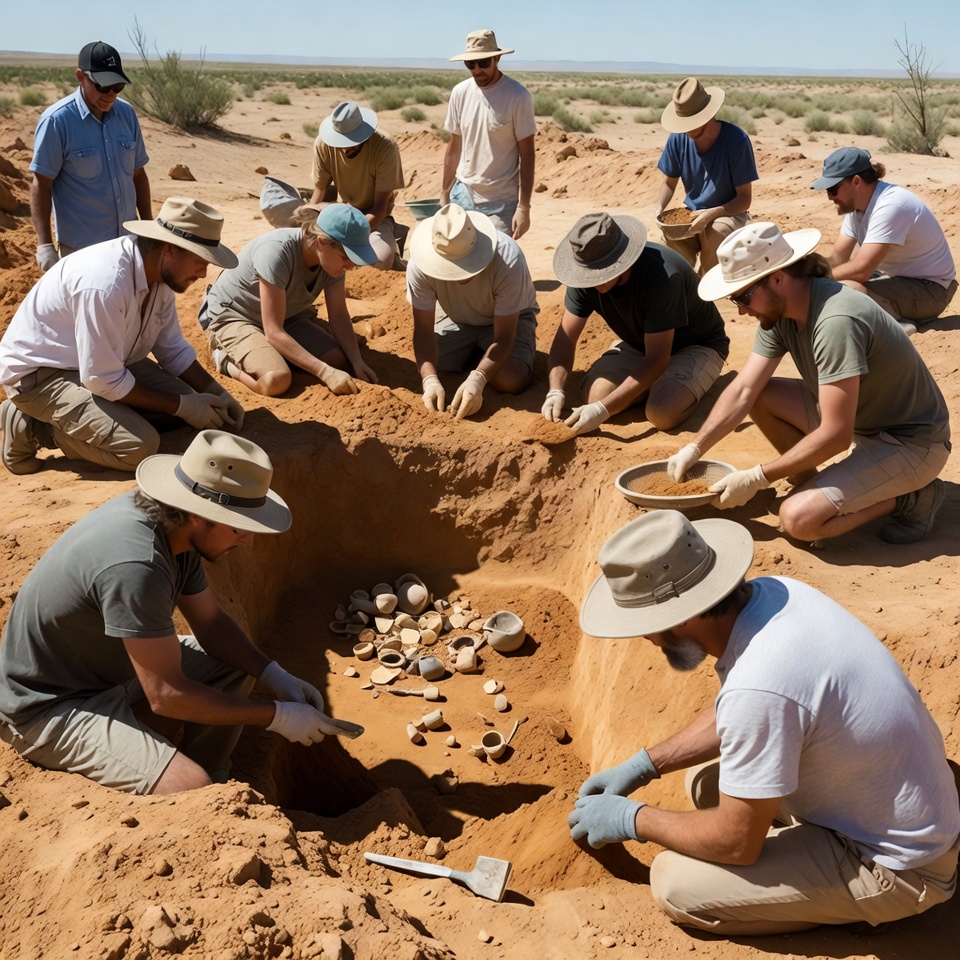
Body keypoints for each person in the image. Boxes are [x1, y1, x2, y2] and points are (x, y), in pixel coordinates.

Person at [569, 509, 960, 935]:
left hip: (899, 864)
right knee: (706, 785)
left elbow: (736, 842)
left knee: (674, 883)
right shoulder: (776, 595)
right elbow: (749, 706)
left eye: (644, 624)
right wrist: (646, 765)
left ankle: (855, 900)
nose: (644, 637)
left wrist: (632, 819)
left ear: (680, 619)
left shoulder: (759, 686)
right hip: (900, 801)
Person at [0, 430, 363, 795]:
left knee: (236, 664)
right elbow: (165, 695)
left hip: (107, 671)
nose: (248, 539)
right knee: (190, 785)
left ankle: (214, 774)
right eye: (239, 526)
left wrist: (273, 674)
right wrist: (277, 716)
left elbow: (211, 623)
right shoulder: (138, 564)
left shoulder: (174, 531)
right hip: (50, 704)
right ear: (199, 516)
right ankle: (204, 791)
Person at [667, 221, 950, 545]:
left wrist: (759, 477)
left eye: (744, 297)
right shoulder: (780, 312)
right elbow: (744, 389)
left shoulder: (836, 322)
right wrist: (695, 447)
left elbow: (836, 436)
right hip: (864, 421)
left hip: (911, 443)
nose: (742, 311)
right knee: (761, 396)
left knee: (798, 520)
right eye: (736, 300)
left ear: (777, 278)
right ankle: (811, 485)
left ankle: (911, 498)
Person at [0, 197, 244, 476]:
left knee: (193, 405)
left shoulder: (160, 275)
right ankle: (34, 427)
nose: (203, 273)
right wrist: (182, 406)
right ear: (169, 249)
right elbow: (102, 380)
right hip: (42, 376)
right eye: (200, 260)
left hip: (101, 361)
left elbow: (172, 349)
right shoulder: (105, 283)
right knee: (139, 446)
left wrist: (216, 393)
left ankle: (93, 416)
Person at [545, 211, 729, 436]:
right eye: (588, 275)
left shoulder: (662, 276)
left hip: (696, 346)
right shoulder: (584, 276)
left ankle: (678, 385)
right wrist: (555, 390)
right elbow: (565, 339)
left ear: (620, 263)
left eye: (599, 274)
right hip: (642, 342)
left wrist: (603, 410)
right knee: (596, 394)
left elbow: (657, 359)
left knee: (662, 411)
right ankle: (653, 385)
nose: (592, 281)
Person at [199, 204, 379, 398]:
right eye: (346, 257)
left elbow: (338, 315)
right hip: (234, 315)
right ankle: (224, 360)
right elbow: (274, 332)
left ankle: (272, 356)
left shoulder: (331, 262)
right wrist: (324, 372)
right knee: (276, 380)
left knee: (336, 359)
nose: (350, 265)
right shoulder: (276, 252)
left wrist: (357, 361)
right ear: (321, 242)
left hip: (285, 315)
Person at [406, 203, 538, 419]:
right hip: (457, 317)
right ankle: (479, 353)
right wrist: (429, 380)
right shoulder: (419, 266)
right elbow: (423, 331)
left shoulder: (507, 258)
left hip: (508, 319)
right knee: (434, 366)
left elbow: (504, 336)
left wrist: (479, 378)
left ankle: (479, 358)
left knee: (511, 379)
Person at [30, 40, 151, 271]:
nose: (111, 94)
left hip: (128, 246)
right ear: (80, 77)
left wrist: (148, 230)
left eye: (117, 86)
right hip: (82, 254)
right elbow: (41, 184)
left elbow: (138, 175)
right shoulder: (57, 121)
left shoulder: (127, 115)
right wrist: (44, 245)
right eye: (103, 86)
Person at [812, 147, 957, 331]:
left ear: (856, 181)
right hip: (898, 279)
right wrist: (806, 270)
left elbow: (862, 270)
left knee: (846, 290)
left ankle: (895, 325)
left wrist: (814, 281)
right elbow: (837, 258)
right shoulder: (856, 207)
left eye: (833, 189)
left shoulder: (891, 206)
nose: (829, 196)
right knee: (833, 286)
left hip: (932, 290)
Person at [656, 77, 758, 276]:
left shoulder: (736, 140)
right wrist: (659, 210)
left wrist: (711, 214)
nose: (685, 129)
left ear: (706, 116)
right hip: (692, 214)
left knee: (716, 235)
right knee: (668, 247)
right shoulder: (677, 139)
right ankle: (684, 284)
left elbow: (744, 200)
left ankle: (706, 282)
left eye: (690, 123)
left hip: (728, 213)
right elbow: (668, 183)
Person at [441, 29, 536, 239]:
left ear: (497, 59)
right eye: (470, 64)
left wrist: (523, 207)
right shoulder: (459, 93)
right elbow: (454, 147)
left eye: (483, 63)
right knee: (458, 254)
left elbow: (527, 154)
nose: (477, 70)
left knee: (497, 253)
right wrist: (444, 193)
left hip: (502, 201)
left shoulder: (518, 97)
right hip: (462, 194)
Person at [309, 101, 407, 271]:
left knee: (376, 264)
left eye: (352, 141)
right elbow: (319, 193)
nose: (347, 147)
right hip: (341, 215)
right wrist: (312, 227)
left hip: (375, 219)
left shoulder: (384, 147)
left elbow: (380, 208)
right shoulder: (323, 145)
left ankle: (393, 253)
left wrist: (352, 238)